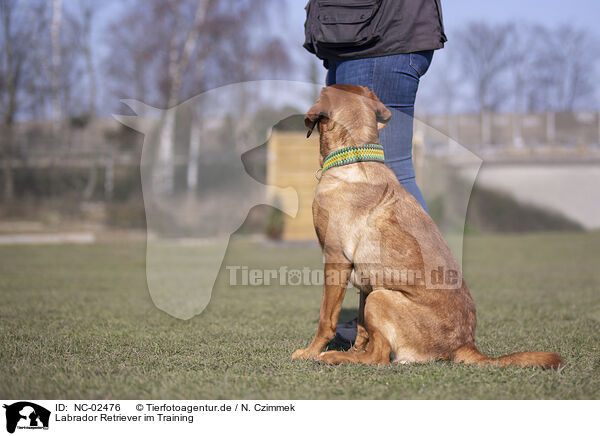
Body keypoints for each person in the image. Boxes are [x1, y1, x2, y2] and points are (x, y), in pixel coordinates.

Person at [303, 0, 446, 347]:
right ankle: (404, 324)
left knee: (391, 173)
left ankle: (429, 318)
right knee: (388, 183)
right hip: (357, 36)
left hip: (375, 38)